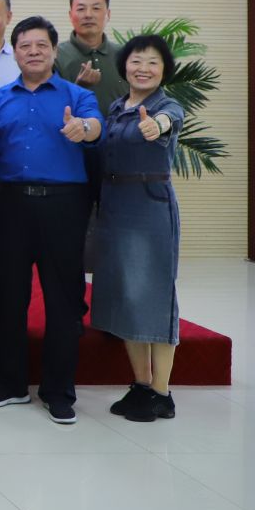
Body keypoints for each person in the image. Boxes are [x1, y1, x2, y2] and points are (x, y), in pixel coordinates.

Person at [0, 16, 103, 424]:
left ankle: (58, 391)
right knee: (8, 297)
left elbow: (95, 126)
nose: (33, 52)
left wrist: (83, 128)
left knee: (63, 299)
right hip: (9, 206)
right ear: (14, 52)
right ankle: (10, 384)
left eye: (41, 45)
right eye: (25, 46)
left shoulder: (76, 95)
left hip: (63, 206)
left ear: (53, 50)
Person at [92, 35, 186, 422]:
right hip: (115, 207)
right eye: (136, 61)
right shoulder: (117, 107)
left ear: (164, 70)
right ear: (124, 66)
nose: (143, 68)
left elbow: (168, 122)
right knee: (125, 296)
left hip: (149, 208)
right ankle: (142, 385)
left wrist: (156, 126)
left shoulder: (166, 106)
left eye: (152, 62)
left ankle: (162, 393)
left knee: (153, 296)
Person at [56, 0, 128, 115]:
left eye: (96, 8)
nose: (88, 15)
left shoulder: (125, 55)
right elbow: (49, 106)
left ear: (108, 14)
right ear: (70, 15)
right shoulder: (56, 56)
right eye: (81, 9)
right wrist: (79, 87)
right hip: (74, 128)